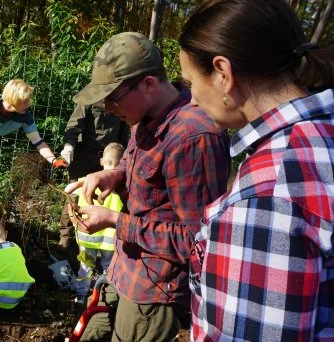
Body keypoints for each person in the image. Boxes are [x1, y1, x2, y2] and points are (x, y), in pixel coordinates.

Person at [178, 0, 334, 340]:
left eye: (189, 82)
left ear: (223, 73)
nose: (191, 100)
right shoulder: (323, 133)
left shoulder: (265, 199)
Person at [69, 32, 231, 341]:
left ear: (148, 83)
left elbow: (197, 241)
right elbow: (141, 170)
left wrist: (116, 221)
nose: (107, 107)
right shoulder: (145, 117)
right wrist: (115, 175)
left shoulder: (193, 137)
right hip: (124, 270)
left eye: (113, 97)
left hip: (153, 290)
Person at [58, 102, 129, 251]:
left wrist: (125, 156)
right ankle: (66, 238)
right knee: (74, 197)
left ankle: (108, 240)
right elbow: (75, 124)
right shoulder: (88, 99)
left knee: (109, 197)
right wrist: (69, 144)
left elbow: (123, 130)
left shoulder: (119, 99)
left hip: (110, 158)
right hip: (85, 156)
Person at [64, 142, 125, 304]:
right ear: (123, 163)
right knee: (108, 269)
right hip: (111, 240)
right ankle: (106, 298)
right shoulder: (122, 184)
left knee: (85, 267)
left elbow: (68, 189)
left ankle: (81, 297)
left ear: (101, 161)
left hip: (87, 235)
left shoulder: (91, 179)